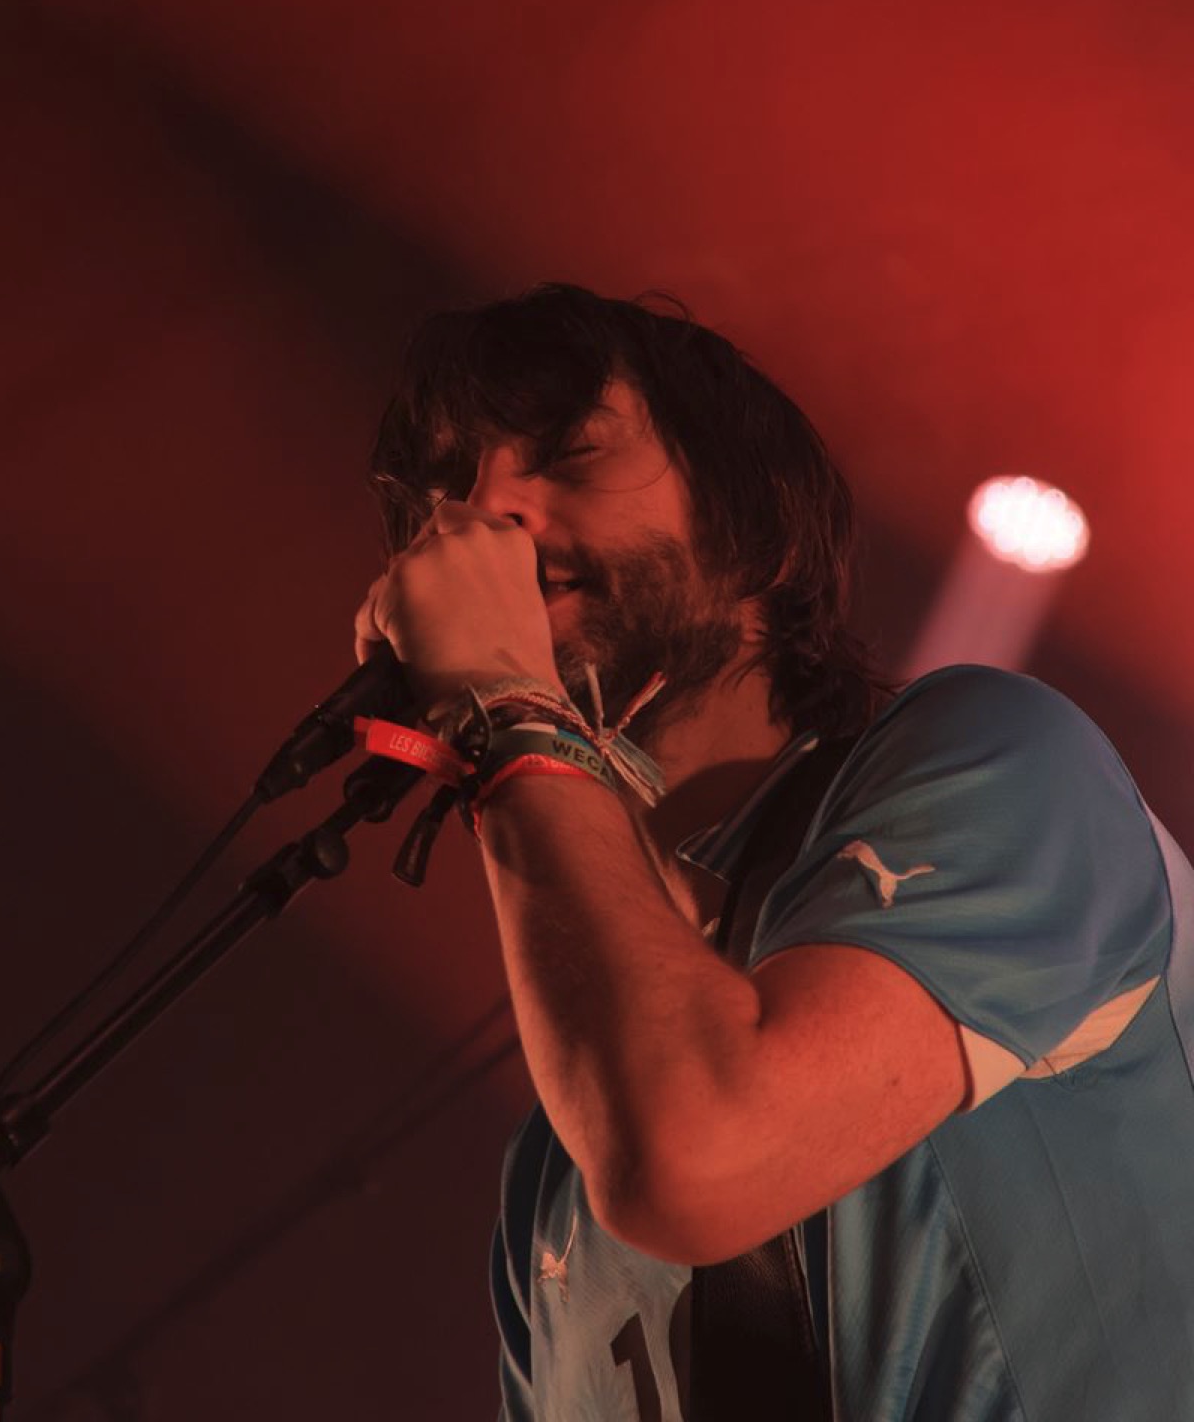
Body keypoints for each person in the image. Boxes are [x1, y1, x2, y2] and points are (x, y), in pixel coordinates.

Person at [354, 283, 1194, 1421]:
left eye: (568, 455)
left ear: (756, 536)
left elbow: (697, 1157)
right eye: (446, 493)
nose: (486, 514)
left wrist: (512, 708)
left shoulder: (1007, 760)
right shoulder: (557, 1167)